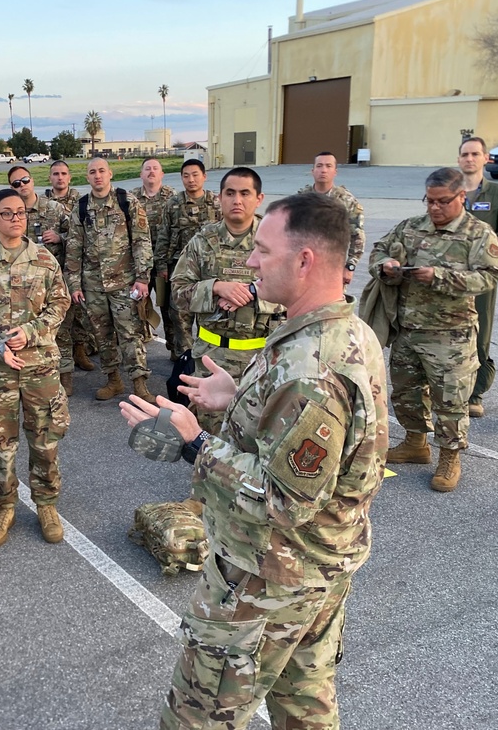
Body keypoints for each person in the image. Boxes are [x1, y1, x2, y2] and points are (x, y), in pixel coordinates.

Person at [120, 192, 388, 729]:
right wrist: (241, 389)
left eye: (263, 250)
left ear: (304, 260)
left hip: (268, 581)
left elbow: (282, 501)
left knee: (200, 718)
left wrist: (195, 441)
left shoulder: (312, 369)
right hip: (314, 571)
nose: (249, 261)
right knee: (303, 706)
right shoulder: (340, 332)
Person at [368, 167, 498, 492]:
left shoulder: (478, 233)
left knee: (450, 401)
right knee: (406, 393)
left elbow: (488, 278)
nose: (435, 208)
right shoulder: (411, 227)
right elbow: (377, 251)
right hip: (409, 331)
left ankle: (449, 457)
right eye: (430, 201)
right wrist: (385, 266)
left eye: (443, 201)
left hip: (451, 336)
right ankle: (416, 444)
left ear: (461, 197)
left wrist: (439, 277)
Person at [0, 188, 71, 547]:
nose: (15, 219)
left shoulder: (44, 259)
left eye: (20, 212)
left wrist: (30, 331)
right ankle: (4, 506)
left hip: (40, 367)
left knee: (45, 442)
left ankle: (46, 504)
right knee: (0, 445)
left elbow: (60, 303)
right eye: (7, 213)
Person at [169, 167, 284, 433]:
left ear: (259, 198)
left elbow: (298, 295)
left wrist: (253, 293)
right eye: (230, 193)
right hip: (212, 358)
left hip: (263, 359)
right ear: (219, 198)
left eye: (245, 193)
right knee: (212, 437)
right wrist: (217, 287)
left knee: (261, 433)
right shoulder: (203, 242)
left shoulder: (277, 242)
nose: (237, 200)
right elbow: (178, 292)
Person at [64, 158, 155, 403]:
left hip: (124, 282)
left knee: (130, 333)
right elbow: (74, 248)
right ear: (87, 177)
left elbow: (141, 241)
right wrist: (73, 284)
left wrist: (143, 278)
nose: (97, 176)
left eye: (102, 171)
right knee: (102, 335)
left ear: (110, 174)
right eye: (92, 172)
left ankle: (139, 383)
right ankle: (113, 380)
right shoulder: (81, 207)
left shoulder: (127, 202)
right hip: (93, 285)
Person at [457, 137, 498, 417]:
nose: (469, 159)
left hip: (482, 276)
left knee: (479, 331)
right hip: (451, 274)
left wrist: (488, 247)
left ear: (485, 158)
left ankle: (475, 392)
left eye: (474, 154)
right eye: (464, 154)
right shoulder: (450, 190)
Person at [7, 164, 77, 394]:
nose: (22, 185)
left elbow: (77, 235)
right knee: (28, 331)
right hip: (23, 286)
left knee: (61, 330)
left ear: (33, 181)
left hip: (52, 281)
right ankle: (34, 377)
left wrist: (60, 237)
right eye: (16, 183)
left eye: (25, 180)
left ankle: (65, 375)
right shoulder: (9, 213)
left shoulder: (54, 208)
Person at [155, 159, 222, 355]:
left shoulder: (216, 203)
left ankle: (204, 357)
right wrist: (161, 267)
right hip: (180, 268)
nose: (191, 179)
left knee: (207, 314)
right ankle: (184, 357)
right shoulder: (173, 204)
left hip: (209, 269)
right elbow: (163, 235)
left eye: (195, 175)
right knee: (179, 315)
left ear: (204, 176)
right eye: (186, 176)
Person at [45, 160, 95, 372]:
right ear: (50, 178)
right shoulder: (42, 203)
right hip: (50, 267)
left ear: (70, 177)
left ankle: (80, 349)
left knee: (78, 311)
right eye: (55, 174)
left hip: (73, 264)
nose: (60, 177)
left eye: (63, 173)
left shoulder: (81, 201)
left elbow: (87, 232)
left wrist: (61, 237)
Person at [298, 151, 365, 285]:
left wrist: (350, 266)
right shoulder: (300, 200)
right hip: (303, 267)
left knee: (331, 305)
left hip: (333, 268)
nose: (323, 170)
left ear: (335, 172)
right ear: (313, 171)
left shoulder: (347, 201)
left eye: (328, 166)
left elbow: (357, 236)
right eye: (319, 166)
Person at [132, 158, 177, 355]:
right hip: (140, 264)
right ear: (141, 174)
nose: (151, 172)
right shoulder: (131, 198)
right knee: (137, 304)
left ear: (162, 174)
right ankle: (139, 344)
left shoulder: (172, 197)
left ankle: (175, 347)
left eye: (155, 168)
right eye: (147, 169)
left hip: (163, 264)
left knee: (168, 306)